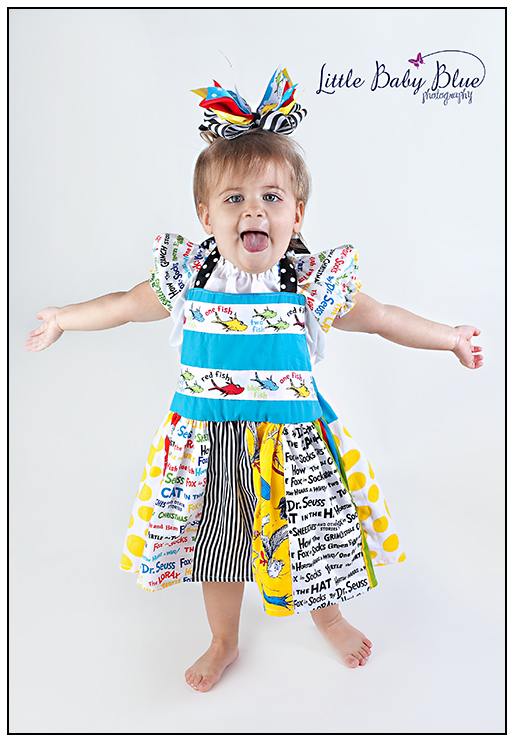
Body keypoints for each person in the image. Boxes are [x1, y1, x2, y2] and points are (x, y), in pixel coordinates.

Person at [25, 68, 483, 692]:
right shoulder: (189, 279)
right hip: (207, 447)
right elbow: (124, 305)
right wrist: (64, 318)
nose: (254, 210)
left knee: (311, 543)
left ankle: (330, 619)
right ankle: (223, 639)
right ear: (206, 215)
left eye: (270, 197)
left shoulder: (310, 284)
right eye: (234, 199)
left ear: (297, 213)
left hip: (292, 444)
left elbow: (381, 318)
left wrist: (449, 336)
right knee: (219, 552)